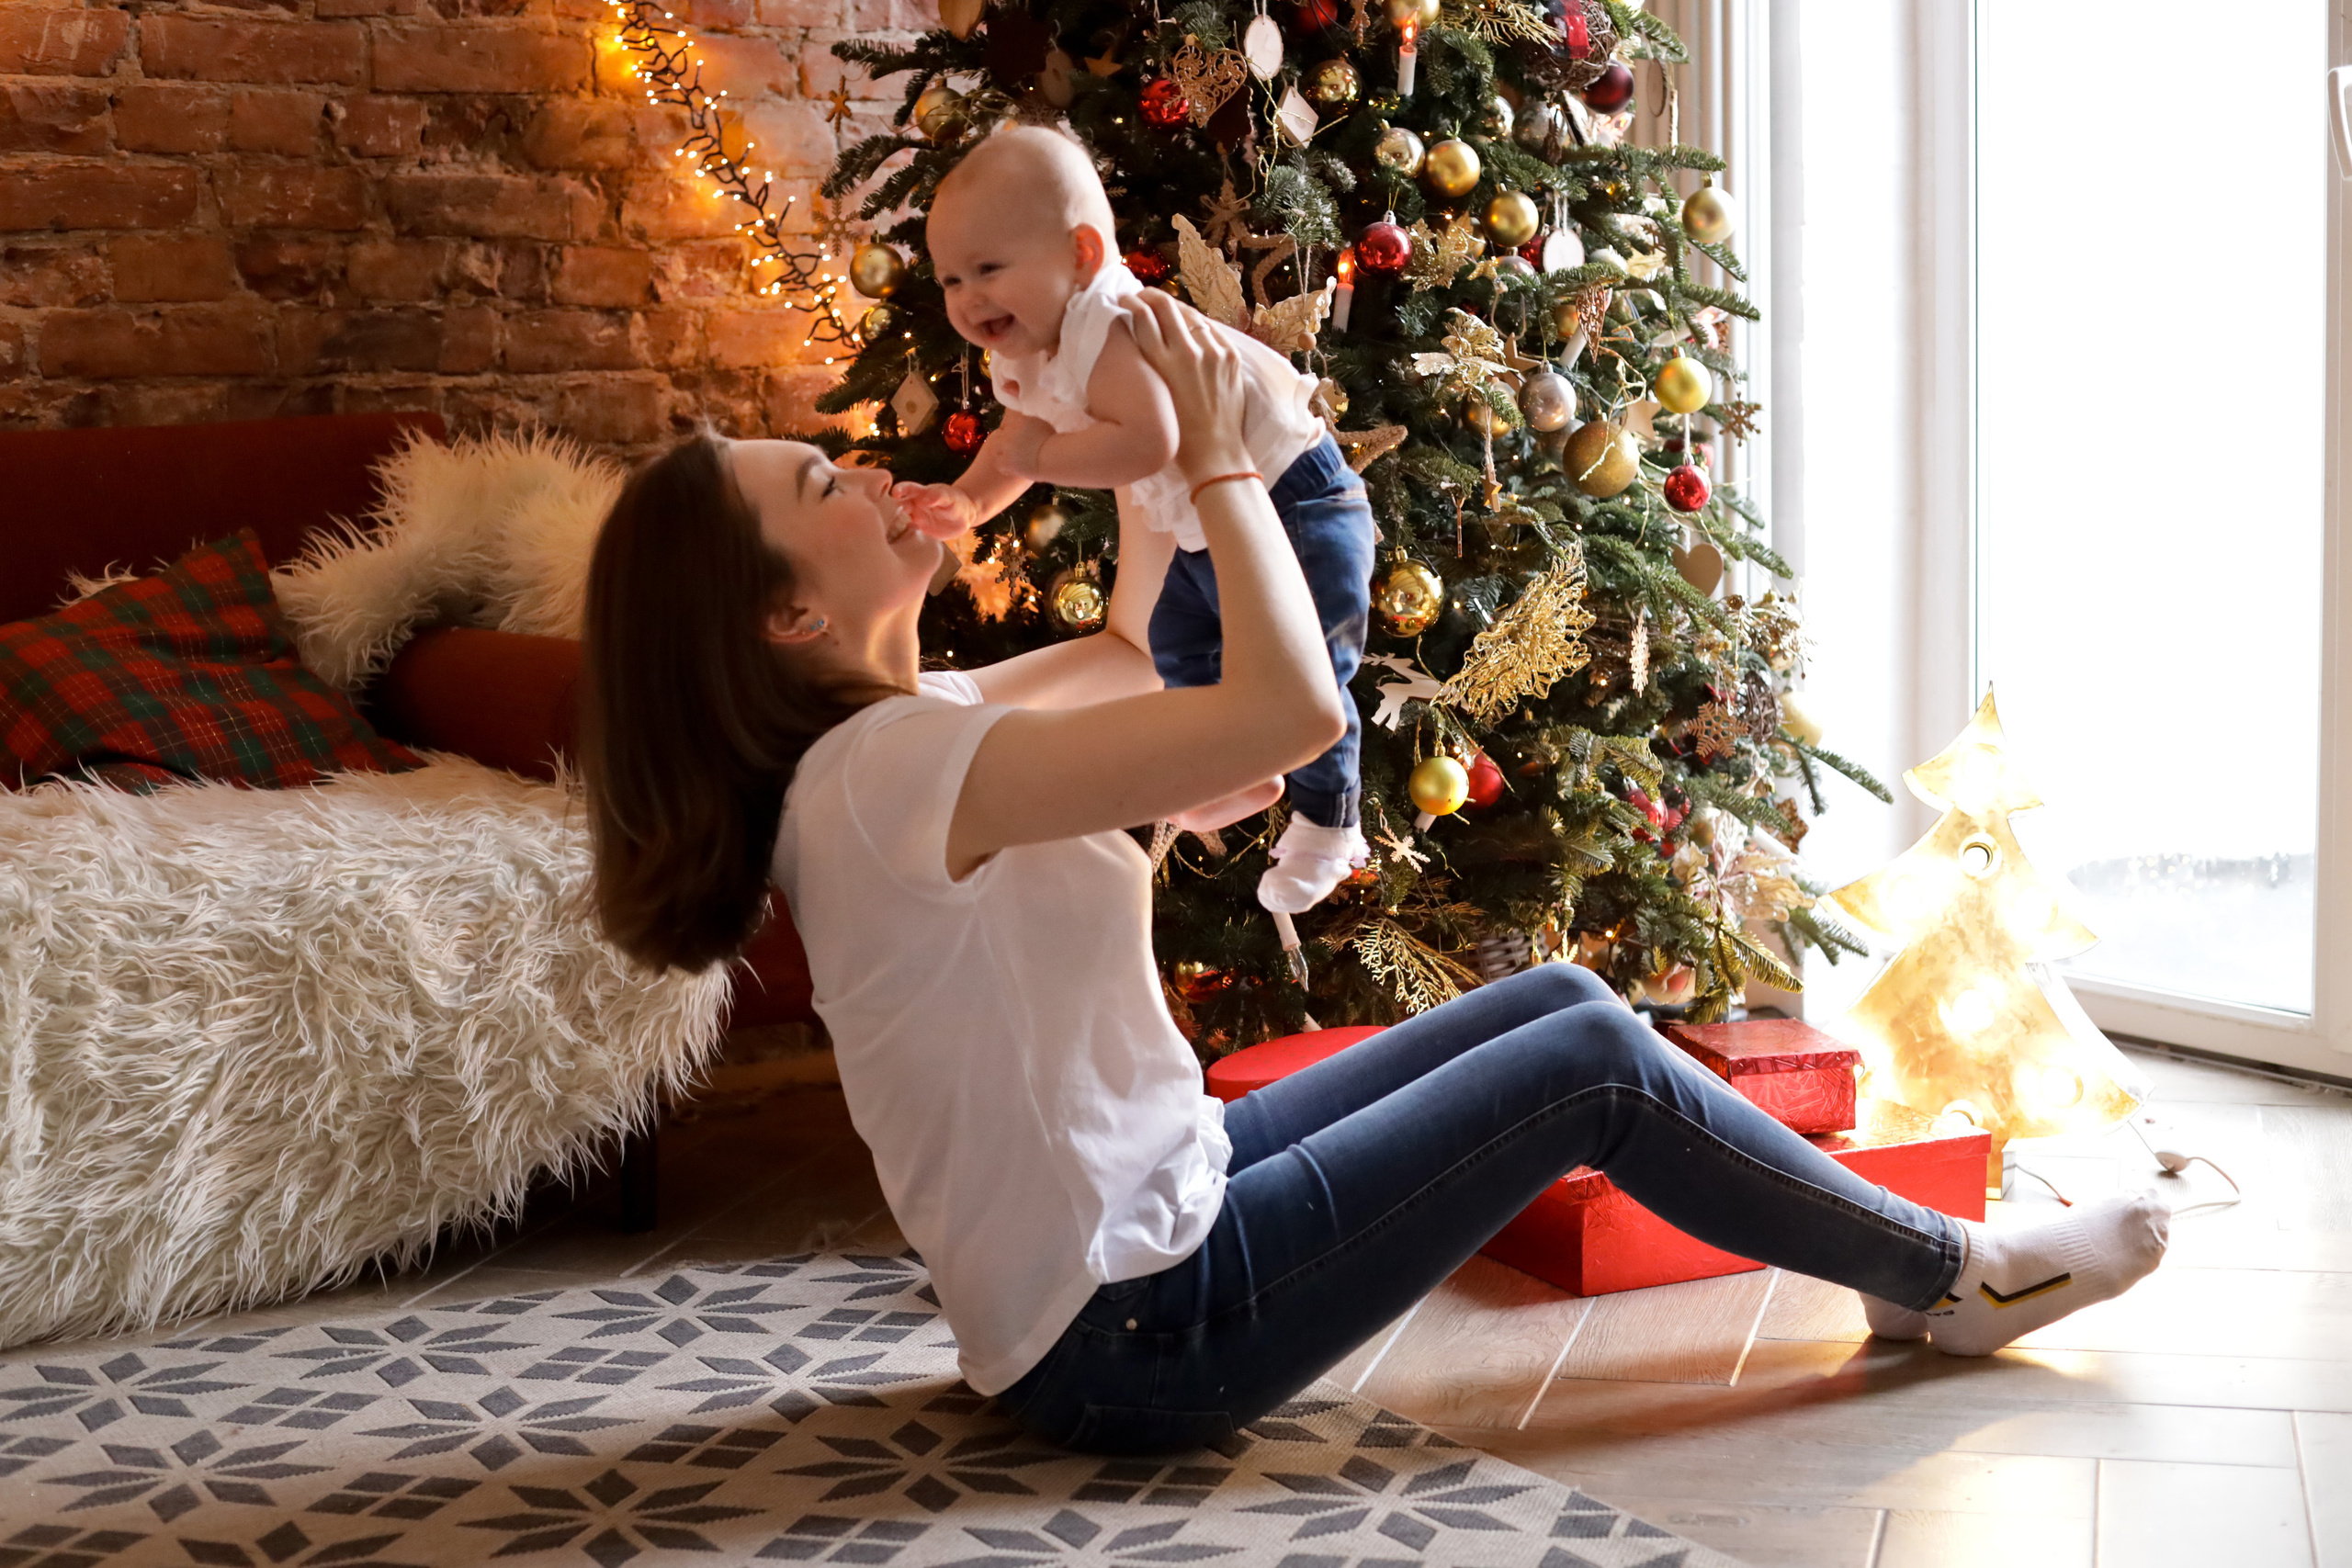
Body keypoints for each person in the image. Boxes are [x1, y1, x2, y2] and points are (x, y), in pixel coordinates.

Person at [576, 289, 2169, 1459]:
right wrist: (1219, 467)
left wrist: (1139, 439)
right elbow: (1292, 707)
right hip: (1143, 1322)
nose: (863, 477)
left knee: (1555, 998)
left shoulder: (903, 740)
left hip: (1133, 1235)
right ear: (786, 616)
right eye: (820, 491)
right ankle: (1961, 1276)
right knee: (1593, 1064)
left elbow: (1139, 649)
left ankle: (1891, 1275)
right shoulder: (891, 769)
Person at [898, 122, 1375, 914]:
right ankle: (1236, 763)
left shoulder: (1109, 327)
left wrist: (1041, 456)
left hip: (1295, 498)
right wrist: (972, 498)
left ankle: (1330, 822)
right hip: (1209, 518)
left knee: (1312, 669)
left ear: (1082, 255)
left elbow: (1151, 439)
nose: (967, 298)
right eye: (950, 280)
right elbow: (1016, 444)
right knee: (1178, 645)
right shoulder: (1027, 343)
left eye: (988, 269)